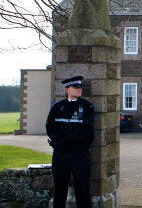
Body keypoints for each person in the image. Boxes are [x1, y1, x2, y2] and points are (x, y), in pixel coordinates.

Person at [46, 75, 94, 208]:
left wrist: (63, 142)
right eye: (75, 87)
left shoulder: (87, 107)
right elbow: (50, 127)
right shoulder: (57, 107)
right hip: (61, 155)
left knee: (82, 187)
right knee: (60, 187)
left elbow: (86, 131)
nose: (79, 90)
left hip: (80, 154)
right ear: (67, 89)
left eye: (80, 87)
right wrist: (57, 141)